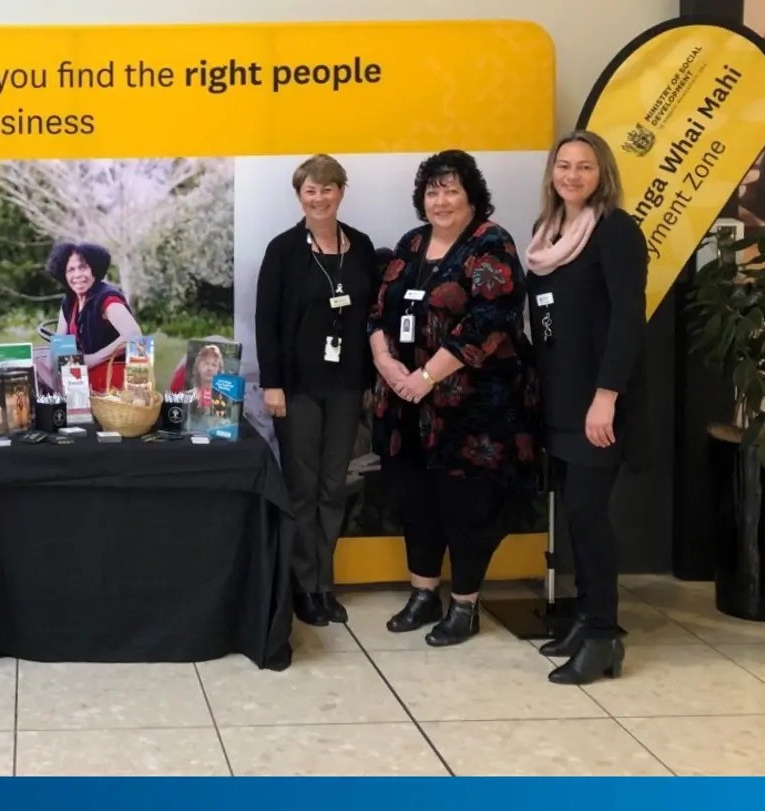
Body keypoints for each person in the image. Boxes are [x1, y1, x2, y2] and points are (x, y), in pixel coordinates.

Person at [368, 149, 540, 647]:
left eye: (451, 190)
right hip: (404, 403)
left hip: (474, 408)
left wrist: (426, 375)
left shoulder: (491, 242)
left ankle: (465, 604)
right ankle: (424, 593)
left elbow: (489, 320)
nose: (440, 200)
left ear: (471, 196)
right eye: (432, 190)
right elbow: (379, 310)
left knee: (466, 506)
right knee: (414, 500)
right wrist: (385, 362)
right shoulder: (412, 242)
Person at [524, 130, 646, 684]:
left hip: (598, 402)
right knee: (574, 513)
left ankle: (603, 637)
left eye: (585, 168)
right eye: (564, 165)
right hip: (560, 397)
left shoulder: (616, 231)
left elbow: (626, 320)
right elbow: (545, 318)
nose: (572, 175)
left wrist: (606, 396)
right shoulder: (546, 233)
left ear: (603, 175)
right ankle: (587, 616)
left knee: (589, 516)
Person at [255, 154, 378, 626]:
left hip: (347, 386)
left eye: (328, 188)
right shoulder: (283, 250)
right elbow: (267, 321)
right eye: (311, 190)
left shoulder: (361, 247)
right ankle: (303, 585)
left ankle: (325, 582)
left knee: (335, 485)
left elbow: (370, 317)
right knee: (303, 488)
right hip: (298, 387)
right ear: (299, 196)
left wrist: (368, 380)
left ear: (341, 191)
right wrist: (273, 384)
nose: (320, 197)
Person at [47, 242, 142, 392]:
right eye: (70, 270)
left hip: (116, 386)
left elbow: (134, 336)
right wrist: (52, 367)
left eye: (83, 268)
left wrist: (92, 359)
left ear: (94, 270)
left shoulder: (107, 300)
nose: (77, 275)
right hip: (85, 383)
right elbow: (60, 340)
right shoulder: (70, 300)